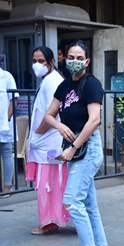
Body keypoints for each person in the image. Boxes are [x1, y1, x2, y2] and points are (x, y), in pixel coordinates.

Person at [45, 40, 108, 246]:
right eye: (70, 56)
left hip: (87, 149)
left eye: (79, 57)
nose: (74, 61)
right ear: (65, 59)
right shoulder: (63, 86)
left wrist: (72, 147)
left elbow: (94, 121)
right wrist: (60, 125)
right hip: (75, 149)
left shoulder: (91, 84)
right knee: (88, 202)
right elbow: (49, 115)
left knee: (72, 200)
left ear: (87, 61)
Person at [26, 46, 70, 234]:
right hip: (46, 141)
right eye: (34, 61)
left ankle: (49, 221)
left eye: (41, 61)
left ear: (51, 62)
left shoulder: (53, 81)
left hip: (48, 142)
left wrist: (37, 133)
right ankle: (51, 220)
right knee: (51, 185)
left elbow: (51, 112)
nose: (37, 65)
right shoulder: (49, 80)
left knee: (47, 185)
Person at [0, 67, 19, 194]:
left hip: (4, 123)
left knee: (7, 153)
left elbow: (14, 99)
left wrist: (6, 119)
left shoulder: (6, 76)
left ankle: (7, 187)